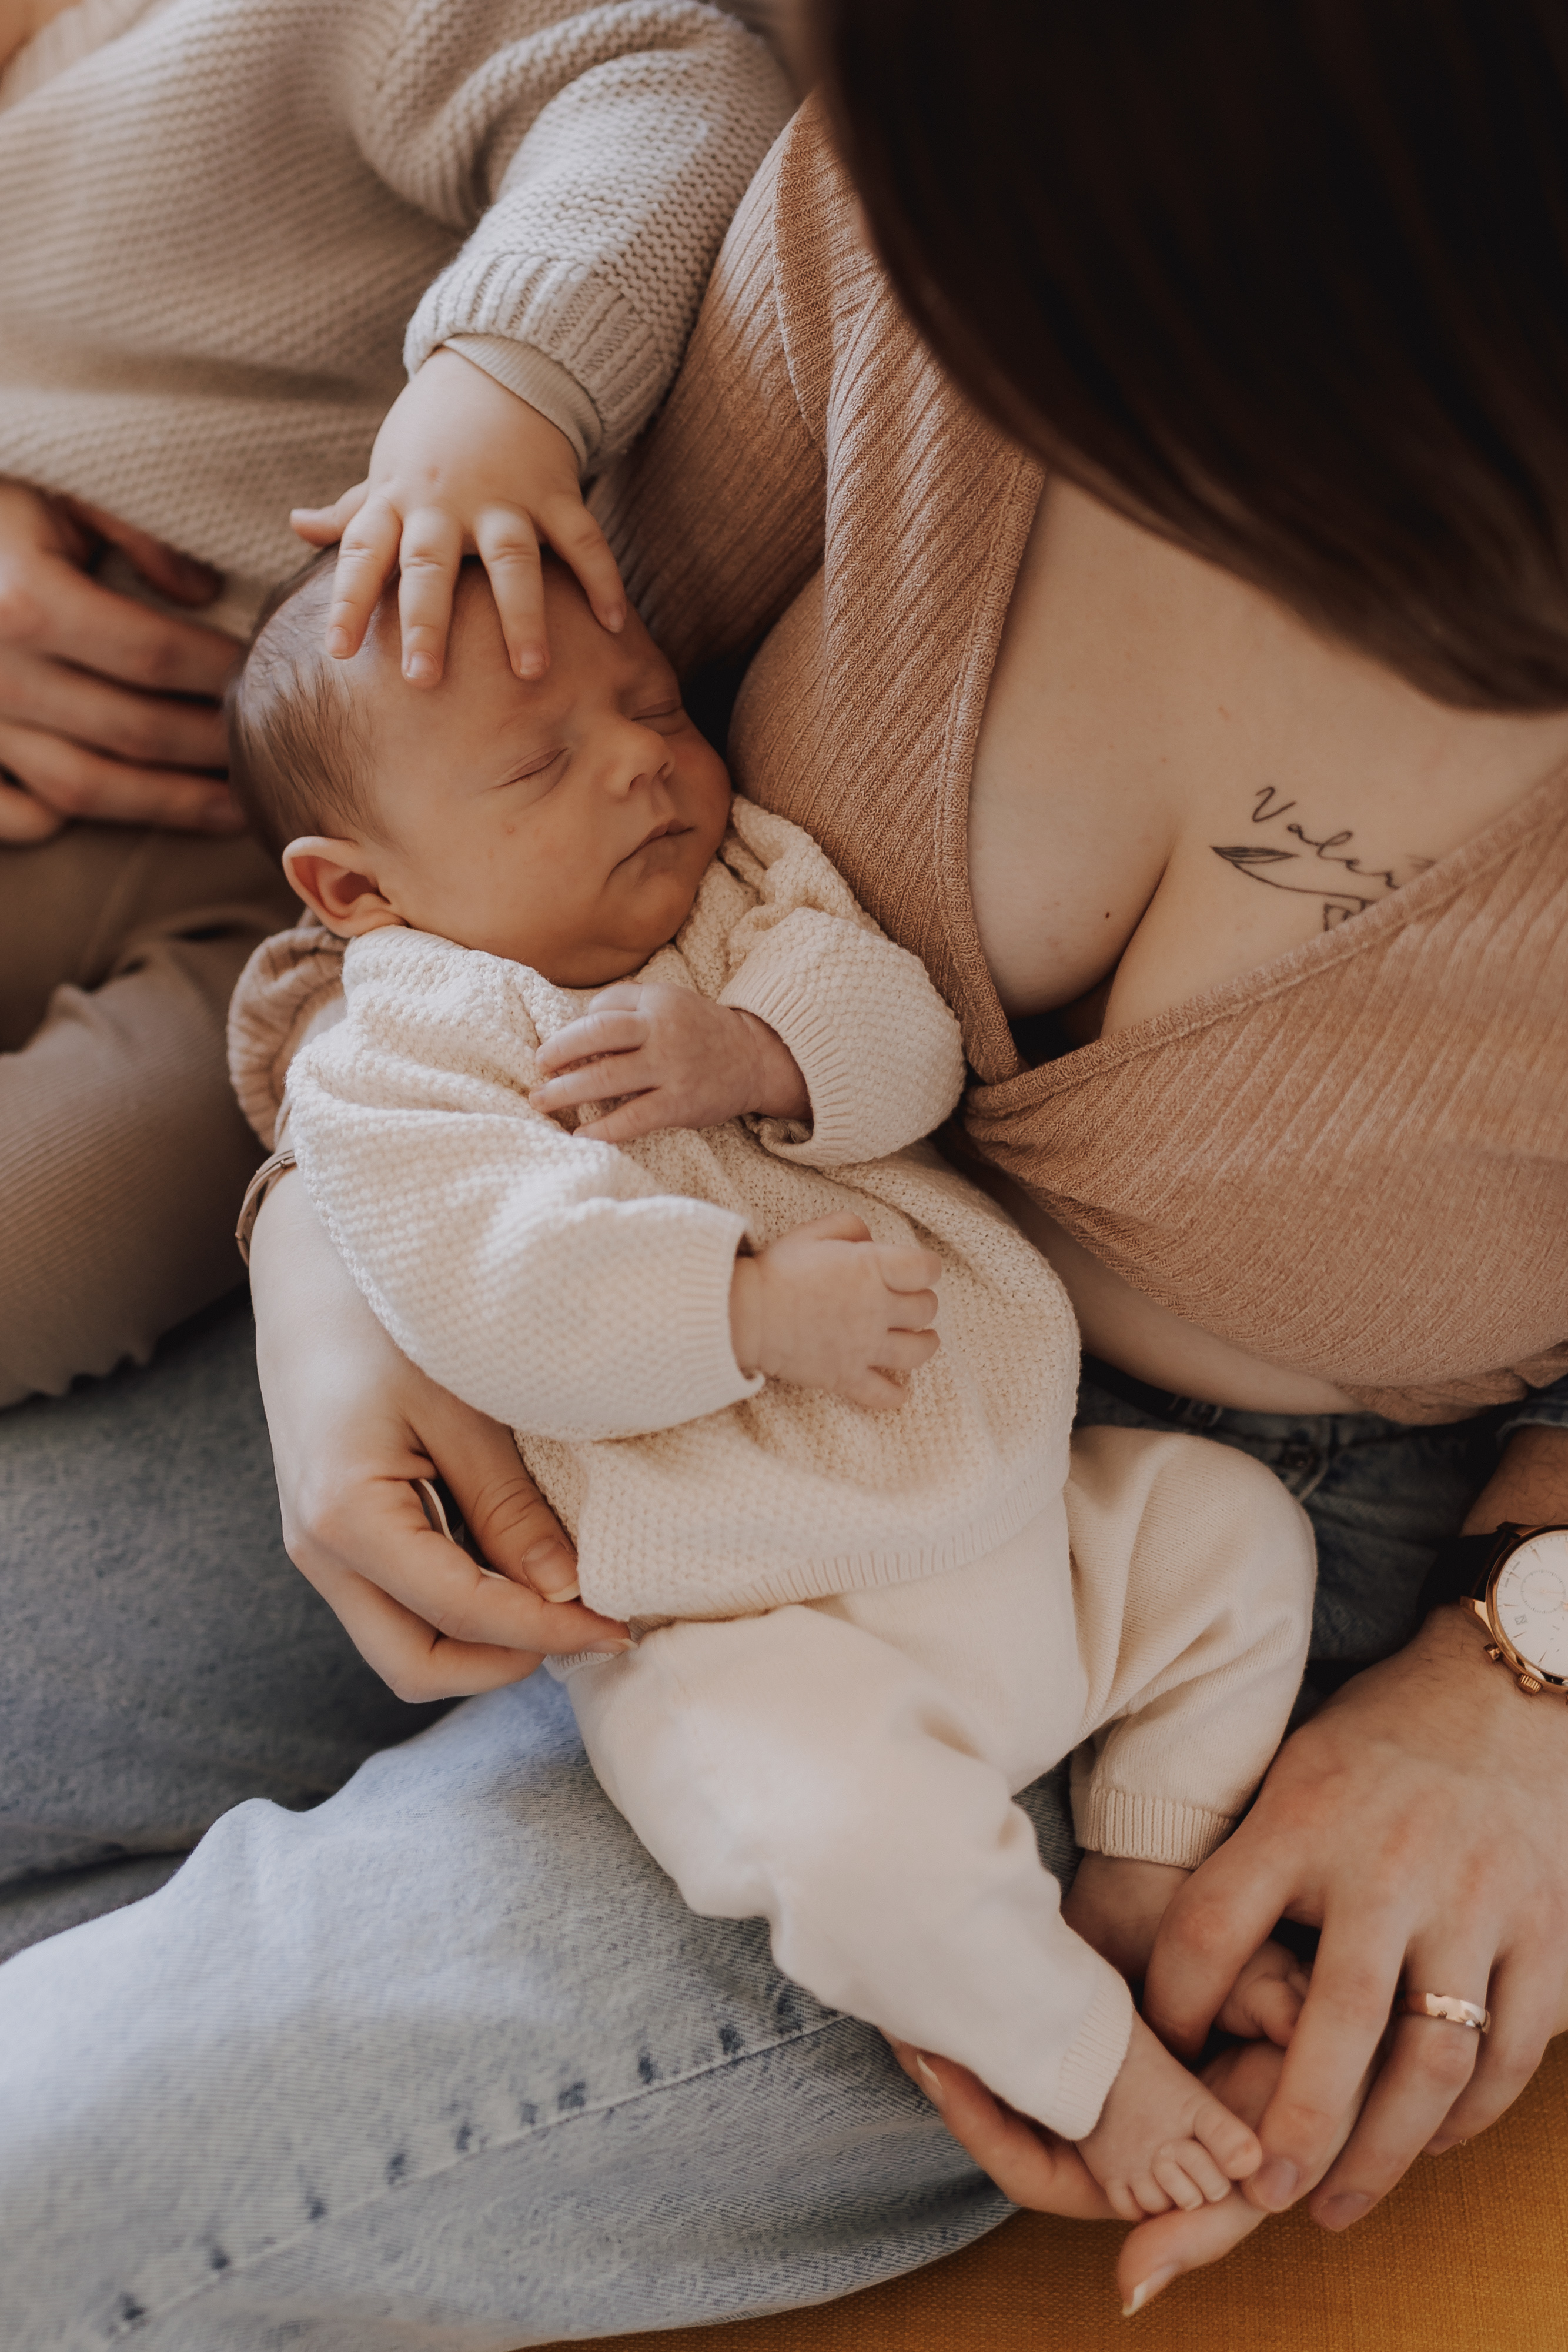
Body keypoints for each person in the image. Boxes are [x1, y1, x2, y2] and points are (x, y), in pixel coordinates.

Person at [5, 0, 1568, 2338]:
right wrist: (334, 1247)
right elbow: (447, 797)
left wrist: (1528, 1686)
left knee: (54, 2179)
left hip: (1177, 1570)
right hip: (603, 1248)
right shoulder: (914, 212)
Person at [229, 546, 1318, 2231]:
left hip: (1019, 1504)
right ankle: (1094, 2066)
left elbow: (905, 1030)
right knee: (844, 1847)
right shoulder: (401, 1061)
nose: (640, 758)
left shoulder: (743, 881)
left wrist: (765, 1057)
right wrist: (737, 1310)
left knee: (1237, 1542)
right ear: (355, 889)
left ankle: (1138, 1872)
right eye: (540, 762)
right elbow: (498, 1289)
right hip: (750, 1622)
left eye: (652, 703)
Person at [0, 0, 791, 1405]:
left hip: (323, 910)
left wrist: (499, 383)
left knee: (47, 1225)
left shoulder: (275, 39)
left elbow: (667, 68)